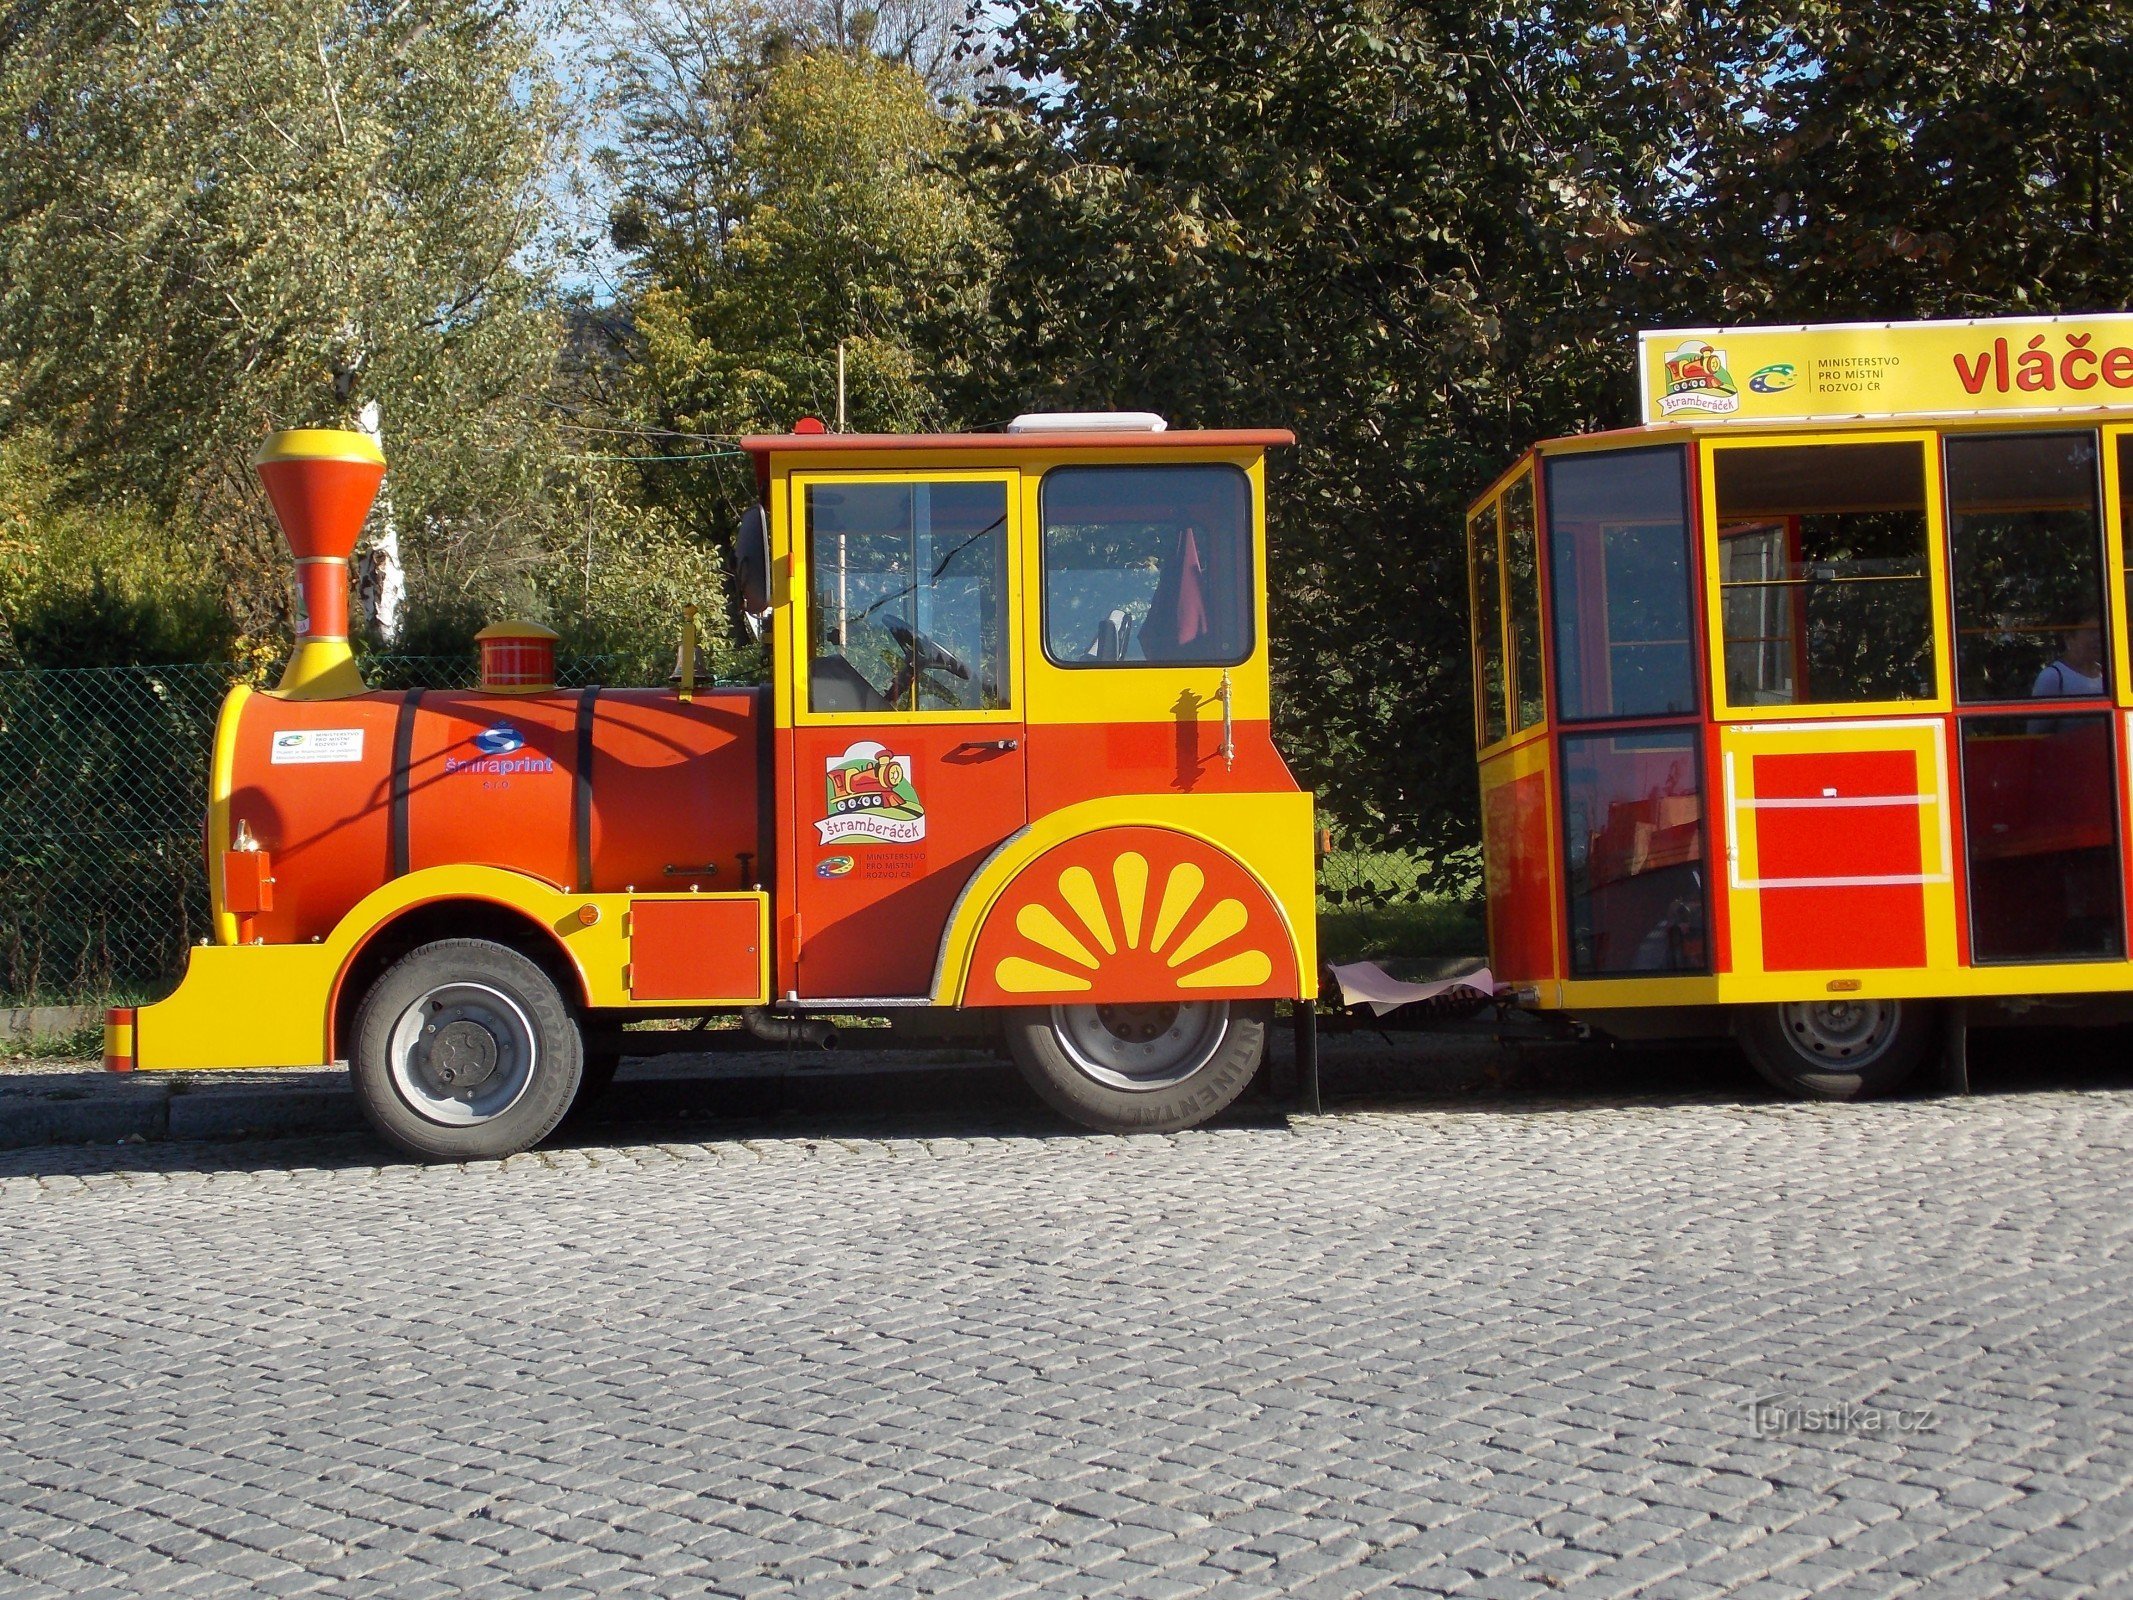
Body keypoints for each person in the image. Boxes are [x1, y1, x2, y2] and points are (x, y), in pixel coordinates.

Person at [2033, 620, 2104, 698]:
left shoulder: (2106, 672)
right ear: (2069, 638)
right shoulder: (2051, 676)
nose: (2098, 638)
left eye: (2100, 631)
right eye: (2091, 632)